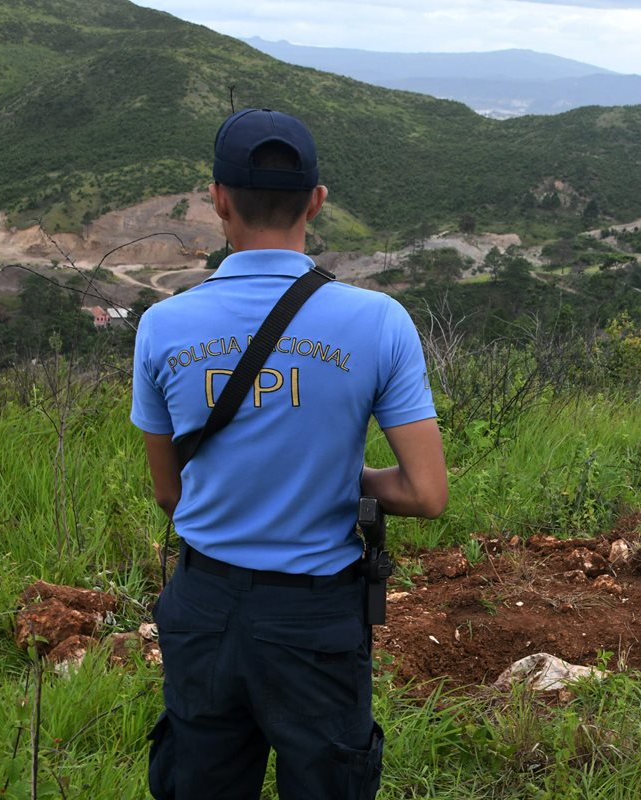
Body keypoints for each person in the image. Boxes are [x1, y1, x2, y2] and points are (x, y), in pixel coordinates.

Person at [131, 107, 448, 799]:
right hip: (317, 622)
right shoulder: (378, 321)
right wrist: (341, 478)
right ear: (316, 201)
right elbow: (426, 494)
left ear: (217, 200)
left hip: (205, 609)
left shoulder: (162, 326)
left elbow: (169, 492)